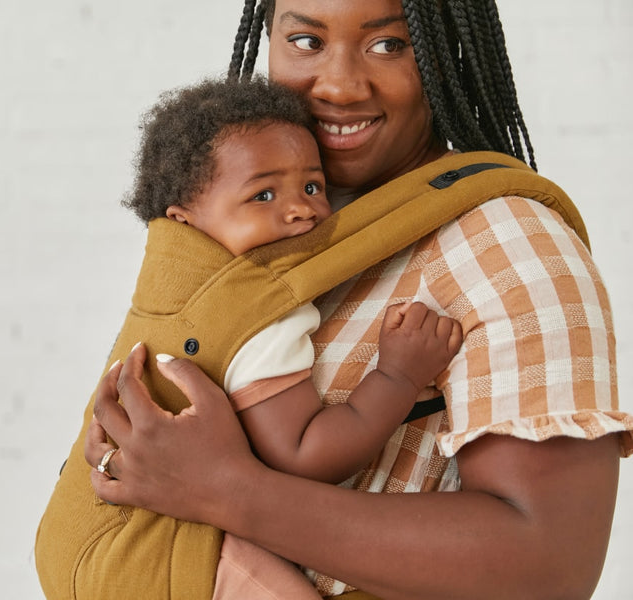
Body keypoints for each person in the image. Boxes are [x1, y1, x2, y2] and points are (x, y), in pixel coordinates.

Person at [84, 0, 633, 598]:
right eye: (306, 41)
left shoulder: (507, 241)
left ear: (443, 58)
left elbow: (547, 566)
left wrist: (224, 490)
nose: (339, 86)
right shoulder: (271, 224)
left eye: (388, 45)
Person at [117, 77, 463, 598]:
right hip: (170, 553)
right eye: (262, 194)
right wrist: (397, 375)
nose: (301, 209)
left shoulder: (167, 293)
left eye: (312, 186)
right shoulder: (259, 314)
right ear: (184, 221)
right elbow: (305, 456)